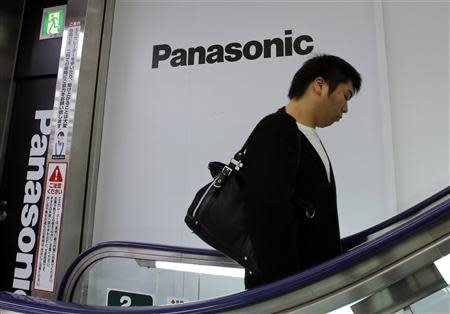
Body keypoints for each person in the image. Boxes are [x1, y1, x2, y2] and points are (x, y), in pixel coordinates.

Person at [242, 54, 362, 289]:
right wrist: (287, 292)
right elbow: (267, 217)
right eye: (345, 96)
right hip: (288, 294)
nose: (345, 108)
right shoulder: (276, 129)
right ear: (320, 85)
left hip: (311, 289)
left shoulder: (305, 136)